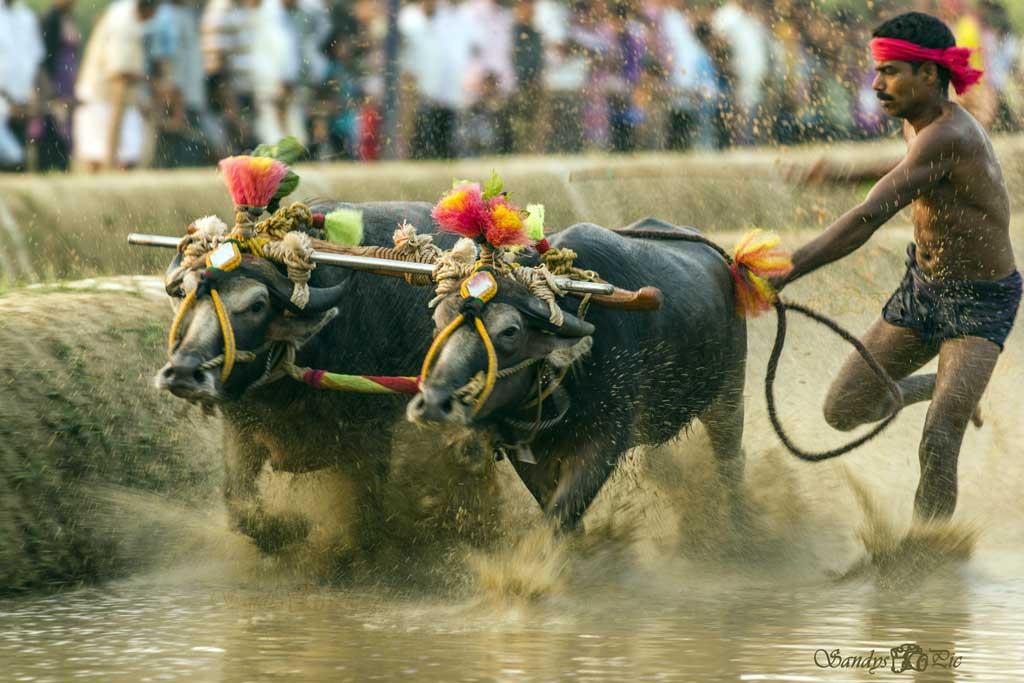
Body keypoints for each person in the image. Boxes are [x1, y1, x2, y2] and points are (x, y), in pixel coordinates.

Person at [772, 12, 1021, 523]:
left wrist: (784, 271)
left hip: (979, 303)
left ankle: (925, 559)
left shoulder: (949, 134)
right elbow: (908, 170)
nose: (876, 83)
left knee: (939, 436)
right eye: (877, 70)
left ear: (928, 75)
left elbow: (868, 217)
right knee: (842, 410)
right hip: (924, 288)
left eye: (889, 71)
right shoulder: (922, 124)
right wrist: (844, 173)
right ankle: (936, 386)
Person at [74, 0, 159, 171]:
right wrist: (110, 156)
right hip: (102, 98)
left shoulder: (124, 13)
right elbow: (119, 83)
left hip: (114, 98)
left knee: (128, 156)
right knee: (100, 160)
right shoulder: (124, 25)